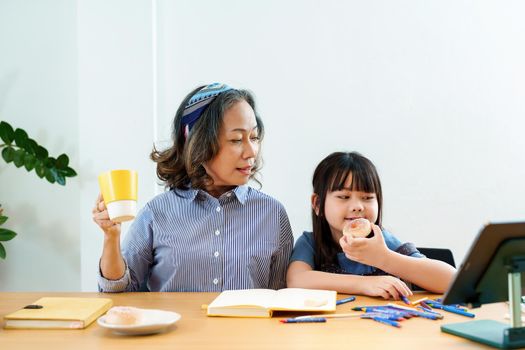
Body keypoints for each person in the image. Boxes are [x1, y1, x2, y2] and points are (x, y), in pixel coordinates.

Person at [92, 83, 293, 292]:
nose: (251, 152)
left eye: (254, 137)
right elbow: (116, 292)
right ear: (199, 144)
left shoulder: (272, 214)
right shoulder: (157, 213)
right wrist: (111, 236)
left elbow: (281, 300)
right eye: (236, 139)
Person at [286, 151, 456, 299]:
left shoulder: (382, 242)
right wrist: (364, 284)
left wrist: (384, 258)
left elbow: (452, 281)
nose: (358, 206)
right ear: (317, 204)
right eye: (344, 197)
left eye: (367, 198)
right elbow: (296, 279)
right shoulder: (311, 243)